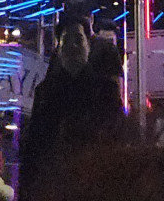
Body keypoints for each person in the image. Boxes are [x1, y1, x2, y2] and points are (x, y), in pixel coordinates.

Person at [19, 16, 124, 199]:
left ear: (88, 46)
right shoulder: (45, 93)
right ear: (59, 49)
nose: (73, 46)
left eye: (79, 39)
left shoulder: (105, 91)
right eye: (66, 41)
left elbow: (117, 140)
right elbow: (34, 148)